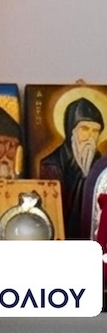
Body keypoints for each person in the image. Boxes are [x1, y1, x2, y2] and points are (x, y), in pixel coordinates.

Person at [38, 96, 104, 237]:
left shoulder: (102, 166)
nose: (90, 137)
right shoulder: (51, 164)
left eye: (95, 131)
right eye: (85, 129)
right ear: (71, 130)